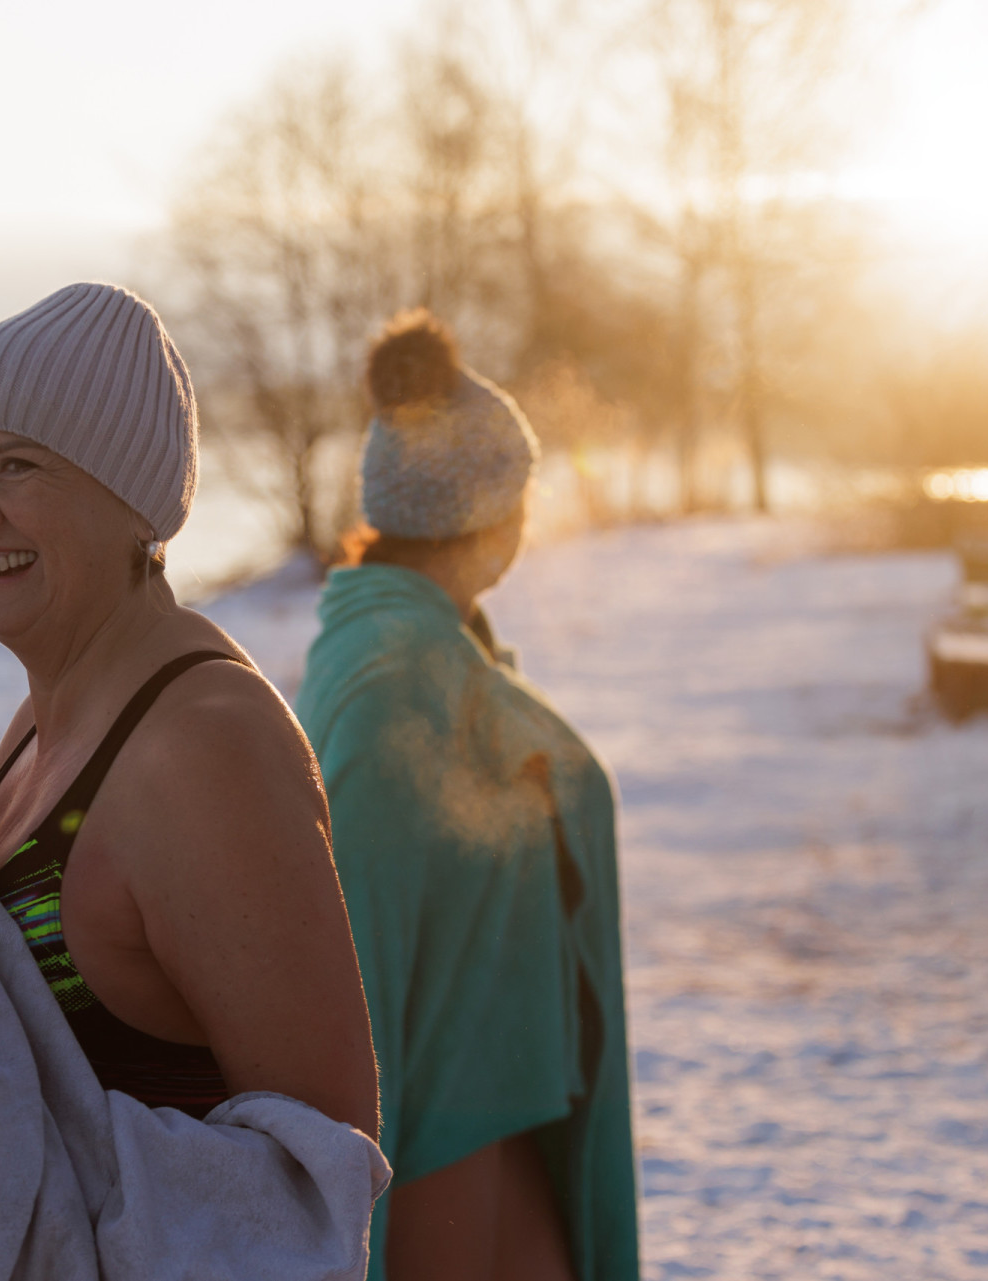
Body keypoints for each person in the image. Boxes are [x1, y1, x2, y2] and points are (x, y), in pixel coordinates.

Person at [0, 281, 379, 1196]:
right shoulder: (45, 716)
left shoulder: (203, 747)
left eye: (18, 466)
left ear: (133, 501)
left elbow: (323, 1170)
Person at [295, 309, 639, 1281]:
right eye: (520, 500)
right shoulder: (400, 680)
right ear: (485, 516)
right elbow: (362, 941)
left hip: (502, 1111)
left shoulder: (417, 651)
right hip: (441, 1140)